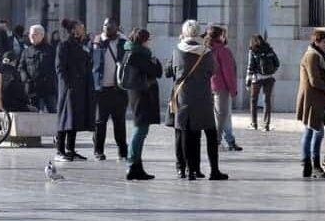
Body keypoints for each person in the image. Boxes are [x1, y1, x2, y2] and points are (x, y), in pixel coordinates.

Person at [167, 19, 226, 181]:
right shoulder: (205, 52)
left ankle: (188, 170)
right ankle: (214, 170)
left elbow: (169, 70)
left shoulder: (177, 50)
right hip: (203, 98)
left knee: (185, 133)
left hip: (184, 97)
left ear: (184, 33)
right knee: (210, 133)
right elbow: (213, 71)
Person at [120, 27, 163, 181]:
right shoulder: (140, 55)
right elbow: (157, 72)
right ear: (143, 40)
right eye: (149, 39)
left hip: (136, 93)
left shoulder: (129, 52)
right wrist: (155, 60)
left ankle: (137, 166)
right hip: (142, 94)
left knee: (141, 129)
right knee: (140, 129)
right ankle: (132, 163)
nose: (150, 42)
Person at [296, 28, 325, 179]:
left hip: (317, 98)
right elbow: (315, 80)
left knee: (309, 131)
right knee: (317, 131)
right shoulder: (312, 56)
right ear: (316, 42)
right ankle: (314, 165)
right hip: (313, 99)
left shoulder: (317, 55)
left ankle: (307, 164)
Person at [56, 18, 93, 161]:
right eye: (80, 27)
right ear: (73, 30)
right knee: (65, 119)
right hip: (69, 88)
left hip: (81, 88)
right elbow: (60, 68)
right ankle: (60, 150)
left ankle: (70, 149)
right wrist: (67, 85)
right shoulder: (64, 45)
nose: (83, 29)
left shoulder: (82, 45)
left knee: (74, 120)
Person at [91, 17, 128, 160]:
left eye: (110, 25)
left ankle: (123, 151)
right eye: (105, 25)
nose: (107, 28)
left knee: (119, 122)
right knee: (100, 122)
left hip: (118, 89)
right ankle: (98, 151)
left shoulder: (123, 43)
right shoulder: (97, 42)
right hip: (101, 89)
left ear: (116, 27)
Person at [207, 24, 241, 151]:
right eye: (223, 34)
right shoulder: (223, 51)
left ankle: (230, 140)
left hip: (209, 86)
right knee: (222, 115)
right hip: (221, 87)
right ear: (219, 36)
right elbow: (228, 72)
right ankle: (216, 140)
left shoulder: (207, 49)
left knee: (222, 115)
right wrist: (233, 89)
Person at [245, 33, 279, 132]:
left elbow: (250, 67)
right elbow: (277, 63)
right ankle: (266, 125)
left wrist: (248, 81)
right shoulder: (269, 49)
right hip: (269, 78)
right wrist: (271, 72)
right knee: (267, 101)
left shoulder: (253, 51)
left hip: (257, 79)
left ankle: (254, 123)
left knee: (253, 101)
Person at [20, 24, 57, 112]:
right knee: (33, 114)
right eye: (31, 34)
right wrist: (25, 78)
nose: (32, 36)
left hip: (48, 88)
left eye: (35, 34)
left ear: (42, 35)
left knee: (53, 113)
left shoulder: (51, 50)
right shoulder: (26, 51)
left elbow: (56, 67)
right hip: (33, 89)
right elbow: (21, 67)